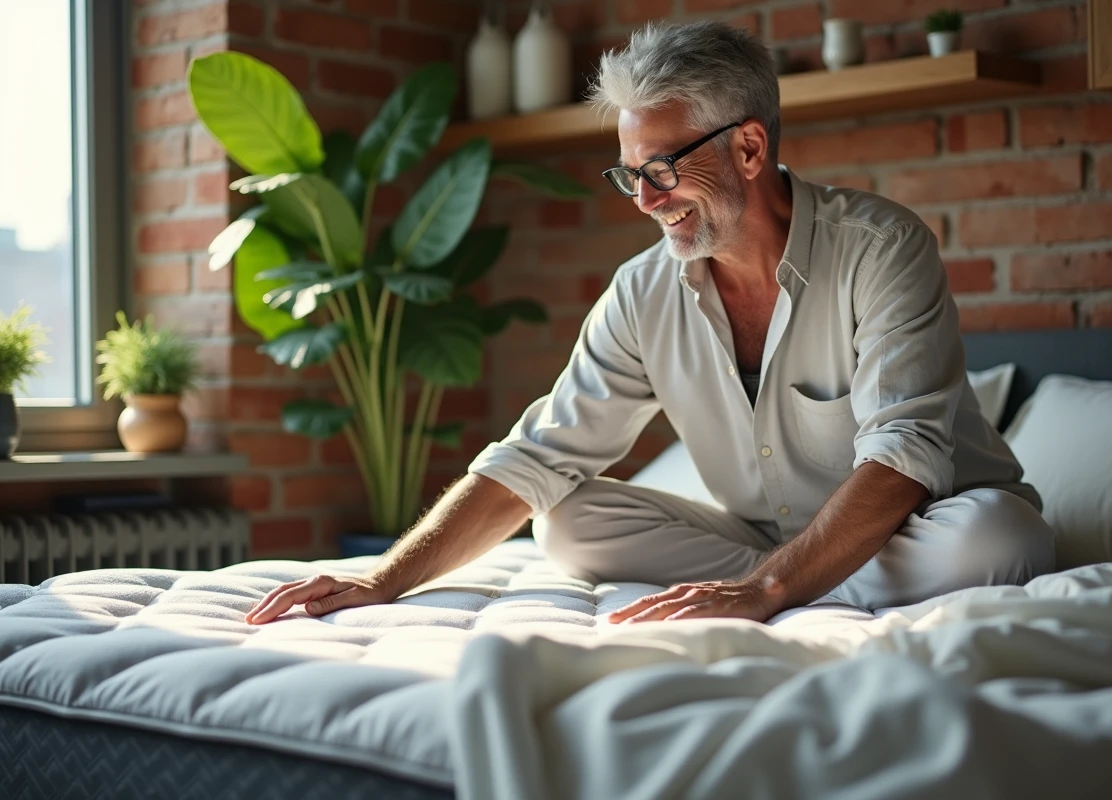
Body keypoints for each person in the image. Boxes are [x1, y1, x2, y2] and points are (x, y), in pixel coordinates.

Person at [246, 21, 1055, 627]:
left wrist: (766, 591)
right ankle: (812, 580)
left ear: (747, 147)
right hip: (760, 538)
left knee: (997, 537)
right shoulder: (642, 292)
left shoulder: (881, 249)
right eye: (629, 175)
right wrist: (381, 578)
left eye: (662, 170)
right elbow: (538, 456)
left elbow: (904, 455)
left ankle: (801, 581)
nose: (643, 200)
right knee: (566, 520)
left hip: (912, 528)